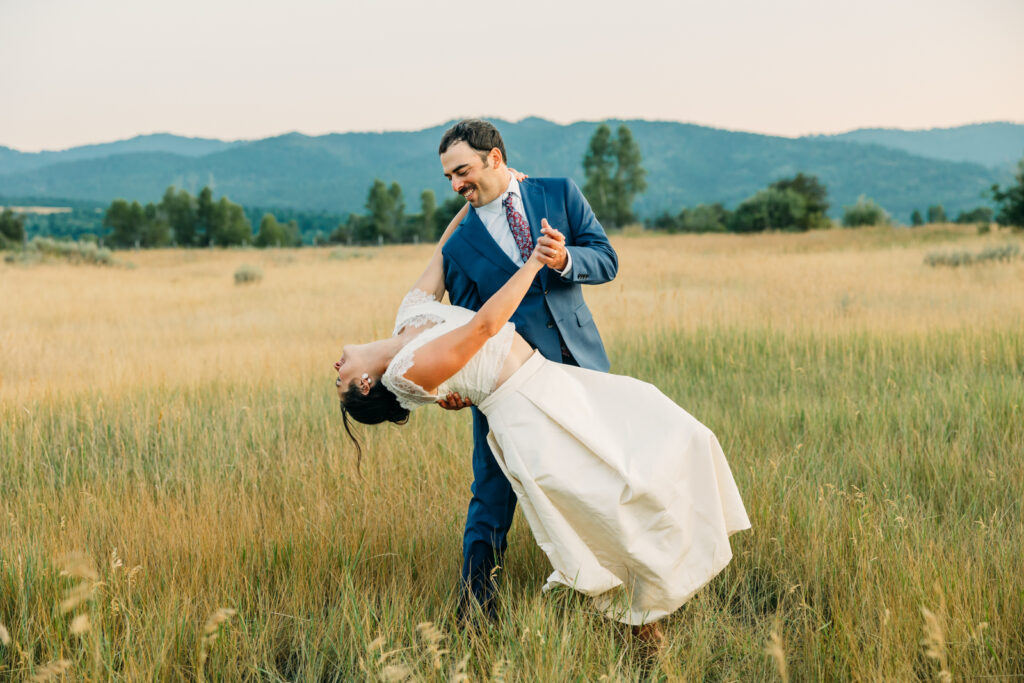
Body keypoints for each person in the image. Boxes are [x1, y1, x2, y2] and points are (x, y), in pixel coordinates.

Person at [334, 195, 751, 632]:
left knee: (667, 433)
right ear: (366, 385)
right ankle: (639, 608)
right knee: (603, 500)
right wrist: (532, 263)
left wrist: (476, 199)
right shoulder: (405, 373)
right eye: (339, 381)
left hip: (553, 382)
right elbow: (483, 327)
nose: (336, 369)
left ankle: (668, 567)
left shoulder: (407, 317)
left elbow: (443, 248)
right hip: (526, 410)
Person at [434, 119, 620, 619]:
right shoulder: (459, 245)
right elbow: (468, 325)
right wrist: (462, 389)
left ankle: (616, 589)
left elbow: (606, 259)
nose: (456, 185)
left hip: (581, 370)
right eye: (449, 176)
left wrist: (564, 259)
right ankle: (476, 610)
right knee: (492, 491)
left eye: (463, 170)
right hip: (507, 387)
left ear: (495, 157)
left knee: (599, 480)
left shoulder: (559, 193)